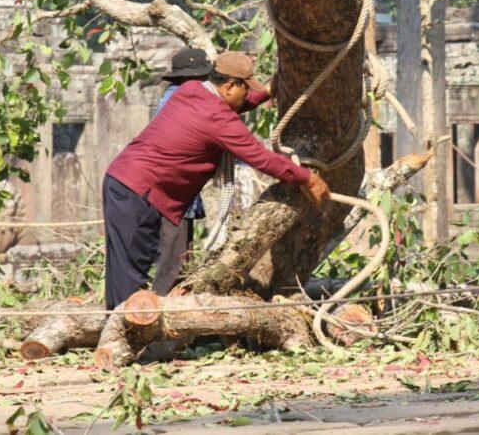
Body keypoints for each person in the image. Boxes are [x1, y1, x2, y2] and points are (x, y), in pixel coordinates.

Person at [102, 50, 330, 309]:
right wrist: (306, 177)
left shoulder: (191, 91)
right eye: (245, 89)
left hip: (127, 181)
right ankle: (122, 335)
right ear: (230, 86)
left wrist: (266, 92)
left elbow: (237, 104)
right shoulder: (217, 118)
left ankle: (120, 327)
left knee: (125, 267)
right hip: (138, 189)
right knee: (130, 271)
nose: (246, 95)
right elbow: (261, 158)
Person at [148, 47, 212, 297]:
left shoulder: (177, 96)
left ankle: (176, 314)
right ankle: (160, 316)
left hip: (178, 192)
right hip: (172, 192)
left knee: (181, 258)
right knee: (172, 263)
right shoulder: (183, 99)